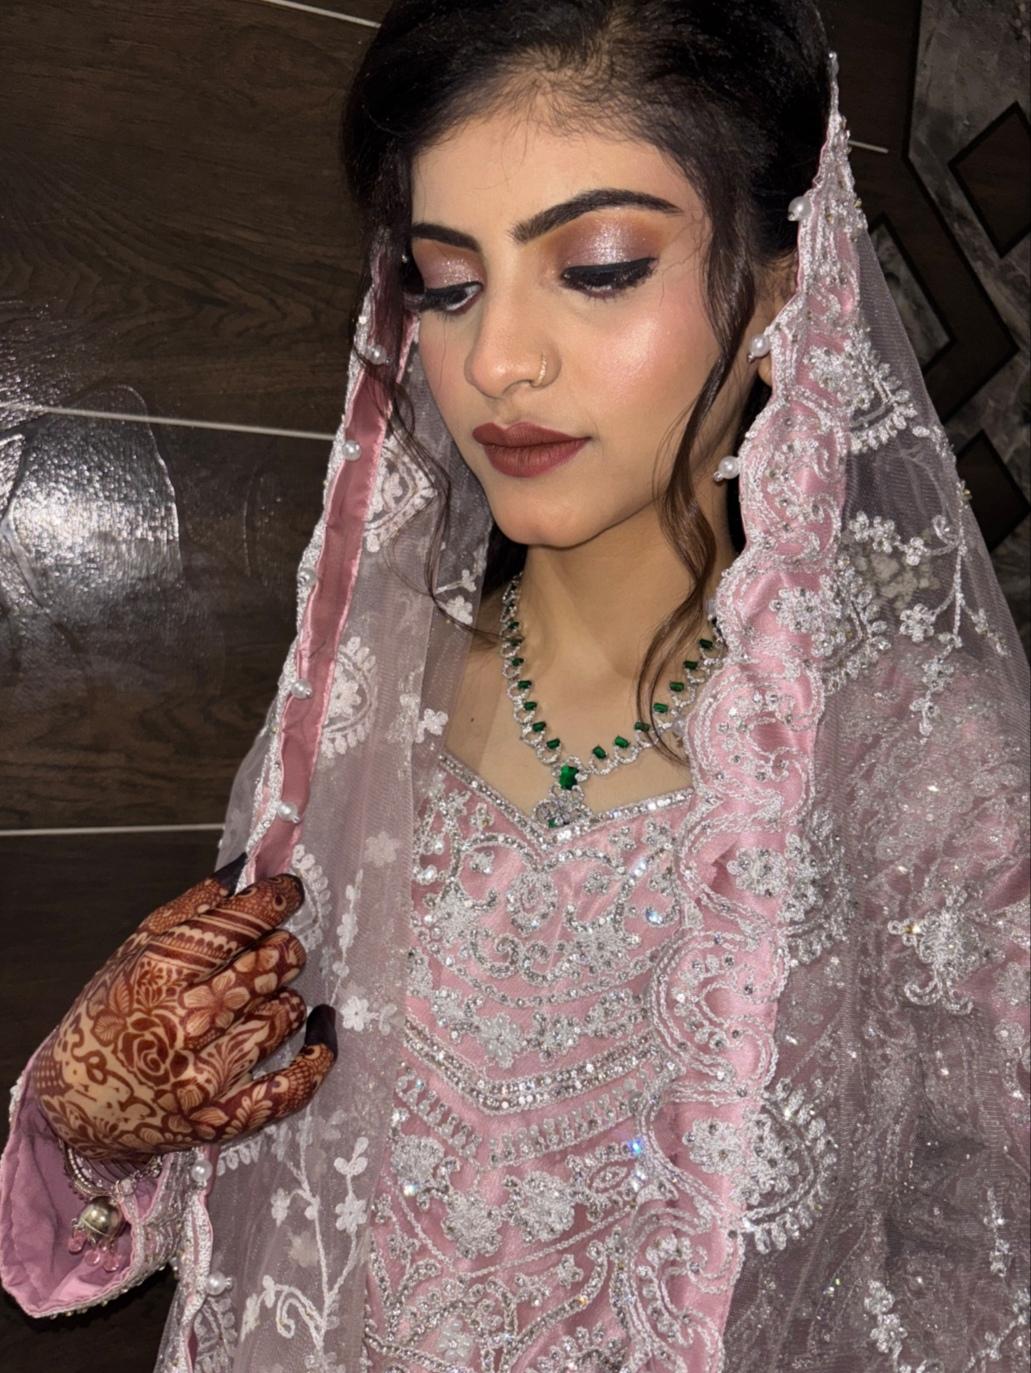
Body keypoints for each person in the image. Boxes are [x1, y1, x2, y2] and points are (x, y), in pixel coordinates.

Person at [2, 1, 1028, 1369]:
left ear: (784, 290)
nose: (495, 361)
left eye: (598, 267)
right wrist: (90, 1125)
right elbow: (265, 1201)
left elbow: (990, 1261)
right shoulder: (360, 712)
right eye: (448, 282)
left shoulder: (917, 760)